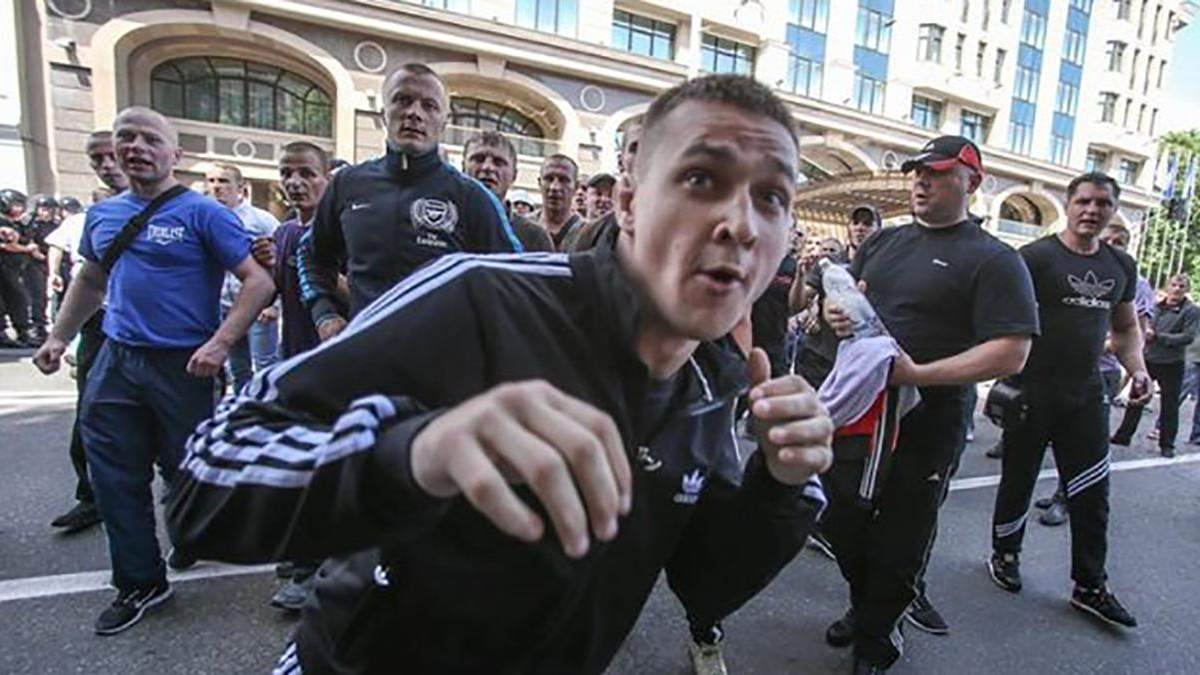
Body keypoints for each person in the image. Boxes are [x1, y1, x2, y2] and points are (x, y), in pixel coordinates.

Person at [168, 74, 833, 675]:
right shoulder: (484, 297)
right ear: (629, 202)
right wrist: (417, 453)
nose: (741, 224)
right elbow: (205, 483)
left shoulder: (716, 382)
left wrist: (778, 485)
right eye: (701, 180)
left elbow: (704, 585)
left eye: (772, 197)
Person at [31, 107, 275, 636]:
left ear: (174, 155)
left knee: (184, 471)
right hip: (116, 359)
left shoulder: (204, 213)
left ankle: (190, 535)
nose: (136, 147)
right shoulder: (103, 216)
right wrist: (57, 336)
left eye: (150, 139)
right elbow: (91, 279)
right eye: (127, 138)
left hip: (183, 365)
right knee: (114, 475)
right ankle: (140, 582)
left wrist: (220, 343)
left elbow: (258, 281)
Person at [823, 135, 1038, 674]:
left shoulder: (995, 259)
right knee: (841, 517)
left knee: (902, 534)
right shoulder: (884, 242)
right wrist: (836, 312)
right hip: (865, 408)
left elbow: (1011, 351)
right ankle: (864, 607)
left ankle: (877, 637)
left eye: (938, 173)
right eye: (918, 172)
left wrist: (919, 374)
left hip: (931, 418)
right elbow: (853, 304)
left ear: (972, 181)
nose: (922, 181)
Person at [988, 172, 1150, 629]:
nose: (1092, 210)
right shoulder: (1034, 257)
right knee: (1018, 480)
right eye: (1084, 201)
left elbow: (1125, 328)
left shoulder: (1120, 265)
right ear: (1068, 203)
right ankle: (1005, 553)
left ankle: (1089, 585)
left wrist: (1139, 369)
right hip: (1031, 391)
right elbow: (1002, 319)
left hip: (1086, 394)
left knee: (1092, 493)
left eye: (1102, 203)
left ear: (1113, 210)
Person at [298, 63, 521, 342]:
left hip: (444, 360)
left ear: (443, 122)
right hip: (365, 353)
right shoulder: (347, 183)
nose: (414, 113)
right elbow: (311, 254)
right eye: (402, 100)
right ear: (384, 113)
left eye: (429, 106)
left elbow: (516, 278)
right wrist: (324, 314)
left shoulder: (472, 197)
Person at [42, 131, 130, 533]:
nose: (107, 165)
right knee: (90, 412)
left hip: (158, 332)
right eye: (98, 159)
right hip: (100, 325)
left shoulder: (185, 211)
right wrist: (59, 336)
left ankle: (186, 503)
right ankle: (91, 496)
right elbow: (89, 280)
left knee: (167, 427)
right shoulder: (92, 218)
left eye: (113, 156)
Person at [266, 140, 335, 612]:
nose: (295, 182)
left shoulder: (344, 233)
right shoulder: (284, 234)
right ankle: (302, 557)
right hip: (293, 365)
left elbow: (360, 291)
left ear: (327, 179)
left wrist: (328, 285)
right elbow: (268, 290)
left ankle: (311, 569)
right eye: (287, 173)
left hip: (336, 371)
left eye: (307, 173)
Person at [205, 162, 281, 392]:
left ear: (241, 187)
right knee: (237, 370)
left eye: (223, 181)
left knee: (265, 366)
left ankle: (267, 407)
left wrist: (275, 305)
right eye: (212, 181)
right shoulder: (204, 218)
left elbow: (282, 261)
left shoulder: (261, 220)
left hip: (257, 307)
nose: (217, 187)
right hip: (223, 308)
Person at [1110, 273, 1199, 457]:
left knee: (1170, 405)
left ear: (1187, 290)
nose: (1177, 289)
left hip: (1172, 362)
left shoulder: (1191, 311)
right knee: (1136, 398)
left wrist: (1158, 337)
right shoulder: (1156, 306)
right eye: (1174, 285)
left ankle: (1167, 444)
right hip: (1149, 358)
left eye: (1181, 286)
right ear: (1167, 286)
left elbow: (1187, 337)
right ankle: (1123, 435)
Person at [462, 130, 554, 252]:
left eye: (498, 162)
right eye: (479, 159)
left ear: (514, 175)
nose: (488, 167)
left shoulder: (533, 237)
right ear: (463, 167)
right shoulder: (444, 226)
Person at [570, 122, 642, 253]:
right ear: (621, 160)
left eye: (651, 148)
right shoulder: (590, 234)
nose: (643, 156)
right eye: (635, 149)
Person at [0, 189, 36, 347]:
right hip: (4, 265)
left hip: (15, 267)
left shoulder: (18, 223)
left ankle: (23, 331)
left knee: (19, 298)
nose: (19, 208)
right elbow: (6, 244)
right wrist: (27, 249)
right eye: (16, 204)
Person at [22, 194, 59, 343]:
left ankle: (43, 324)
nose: (47, 213)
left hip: (49, 262)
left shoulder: (55, 225)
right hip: (34, 263)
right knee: (36, 295)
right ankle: (36, 326)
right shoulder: (31, 224)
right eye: (44, 209)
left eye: (50, 210)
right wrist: (36, 252)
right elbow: (28, 242)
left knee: (46, 296)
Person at [537, 154, 585, 251]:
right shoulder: (521, 230)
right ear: (539, 183)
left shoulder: (587, 234)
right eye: (549, 179)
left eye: (563, 180)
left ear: (576, 186)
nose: (554, 187)